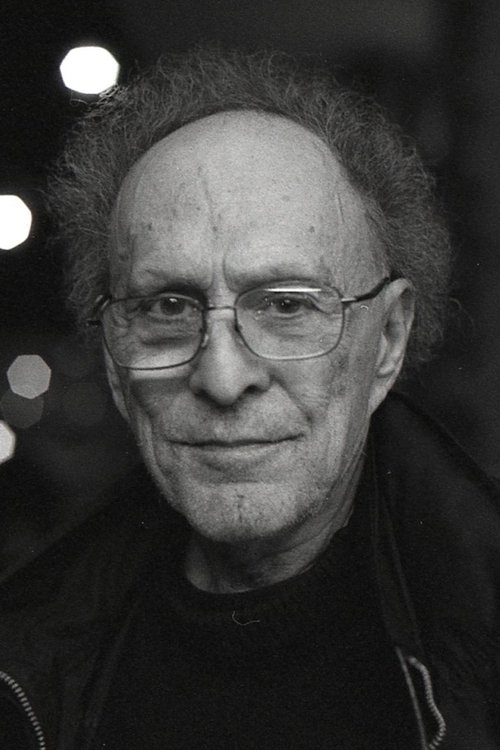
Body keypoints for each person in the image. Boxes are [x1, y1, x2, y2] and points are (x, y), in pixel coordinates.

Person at [1, 47, 499, 750]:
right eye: (167, 307)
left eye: (288, 305)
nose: (224, 378)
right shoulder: (25, 656)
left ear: (388, 339)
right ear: (113, 357)